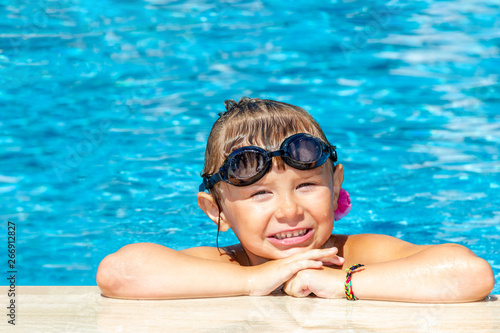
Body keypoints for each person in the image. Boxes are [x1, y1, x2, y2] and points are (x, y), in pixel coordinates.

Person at [96, 97, 494, 301]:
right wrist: (252, 280)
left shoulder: (354, 254)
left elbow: (469, 274)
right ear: (216, 210)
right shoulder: (225, 265)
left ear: (336, 186)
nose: (289, 211)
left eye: (306, 186)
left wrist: (339, 284)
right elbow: (120, 273)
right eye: (260, 194)